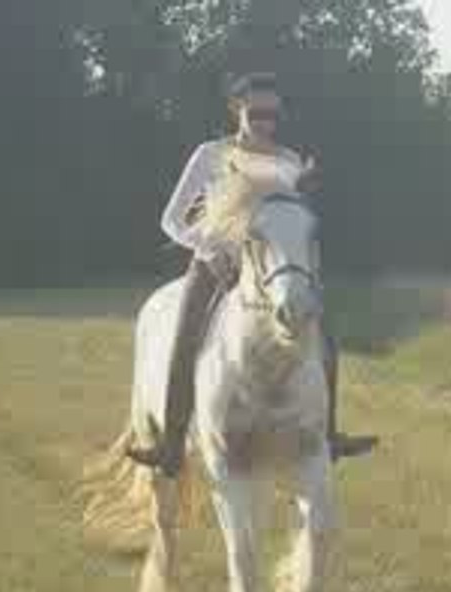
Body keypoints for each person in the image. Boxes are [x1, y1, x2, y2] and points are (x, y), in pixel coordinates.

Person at [151, 71, 376, 478]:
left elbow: (293, 222)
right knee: (185, 338)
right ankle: (171, 442)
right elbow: (170, 220)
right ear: (237, 109)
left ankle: (327, 436)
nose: (266, 121)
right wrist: (207, 249)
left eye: (273, 114)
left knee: (325, 337)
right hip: (216, 263)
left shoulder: (291, 163)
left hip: (272, 269)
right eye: (257, 112)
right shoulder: (210, 155)